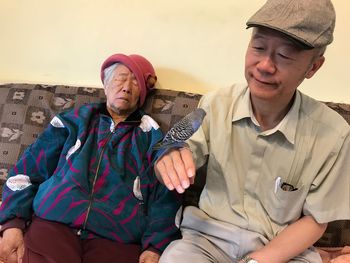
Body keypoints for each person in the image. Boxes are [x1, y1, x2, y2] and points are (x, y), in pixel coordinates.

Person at [155, 0, 350, 262]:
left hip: (281, 251)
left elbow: (317, 219)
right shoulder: (213, 104)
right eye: (258, 47)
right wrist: (167, 159)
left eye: (284, 55)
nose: (265, 65)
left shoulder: (334, 134)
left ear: (313, 67)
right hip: (207, 242)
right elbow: (174, 148)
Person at [0, 53, 181, 263]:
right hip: (53, 225)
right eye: (120, 78)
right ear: (105, 84)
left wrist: (155, 247)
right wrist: (12, 223)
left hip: (117, 239)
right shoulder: (72, 121)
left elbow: (167, 198)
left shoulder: (153, 138)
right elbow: (28, 170)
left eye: (136, 83)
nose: (126, 87)